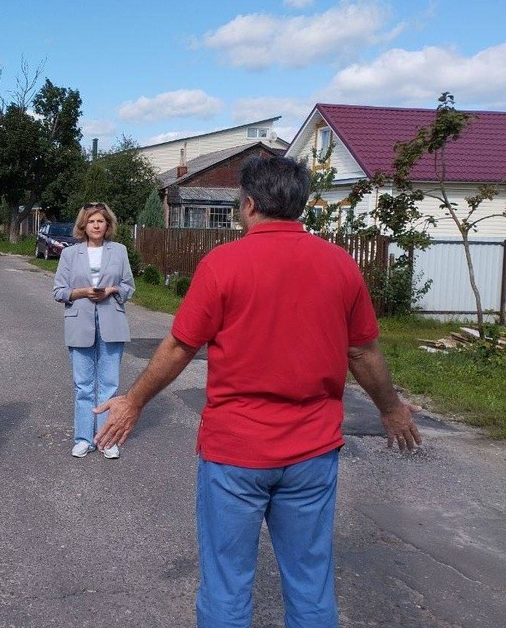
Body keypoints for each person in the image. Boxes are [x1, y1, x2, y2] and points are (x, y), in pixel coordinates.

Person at [93, 157, 422, 627]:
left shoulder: (223, 264)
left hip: (235, 455)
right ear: (300, 204)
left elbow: (179, 347)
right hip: (312, 453)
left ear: (248, 205)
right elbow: (364, 353)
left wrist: (134, 401)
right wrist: (391, 409)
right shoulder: (340, 265)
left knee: (227, 583)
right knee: (311, 582)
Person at [53, 202, 135, 459]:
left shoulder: (119, 251)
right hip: (80, 323)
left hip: (112, 322)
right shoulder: (70, 254)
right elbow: (59, 291)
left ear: (107, 225)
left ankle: (107, 440)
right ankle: (83, 438)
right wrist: (82, 293)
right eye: (91, 222)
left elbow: (129, 287)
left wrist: (112, 291)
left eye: (100, 221)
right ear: (83, 226)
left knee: (109, 386)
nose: (96, 225)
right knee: (83, 386)